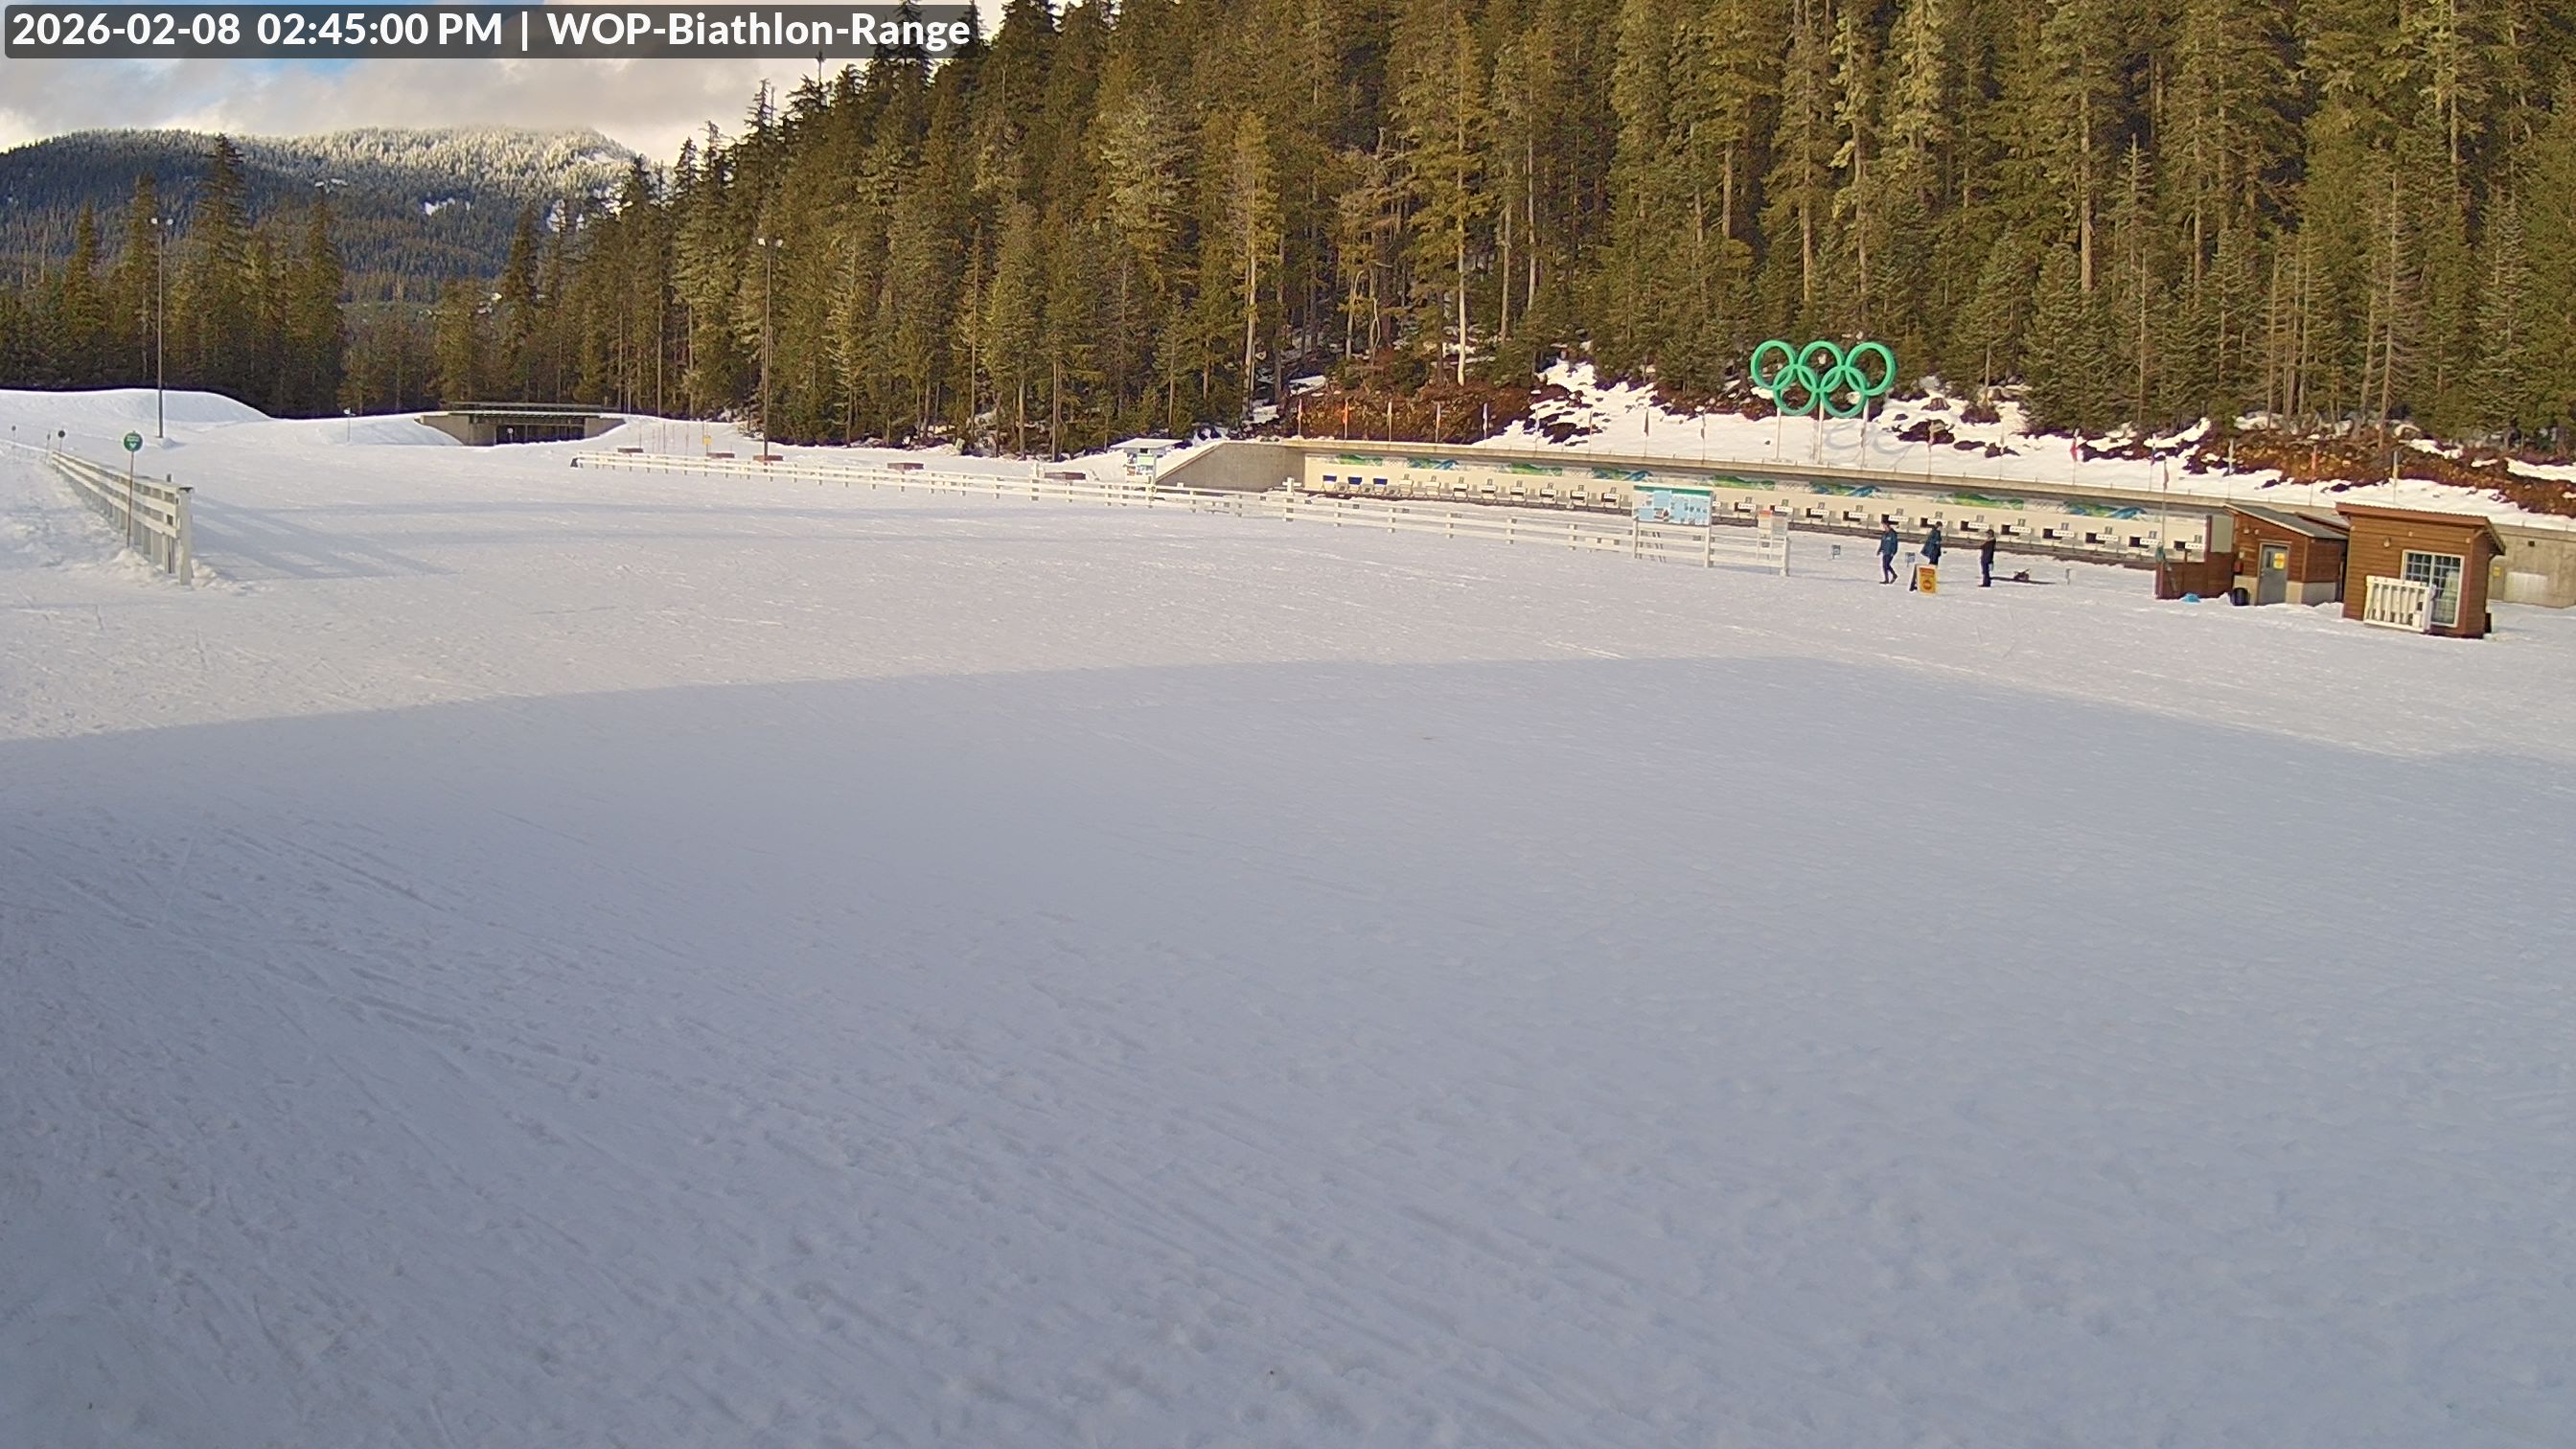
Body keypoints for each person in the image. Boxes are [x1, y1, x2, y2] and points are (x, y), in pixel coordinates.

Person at [1912, 522, 1943, 589]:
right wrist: (1936, 541)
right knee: (1931, 564)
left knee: (1935, 565)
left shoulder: (1938, 532)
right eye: (1940, 526)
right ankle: (1927, 576)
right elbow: (1930, 540)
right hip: (1933, 550)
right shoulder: (1934, 532)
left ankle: (1933, 577)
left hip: (1936, 551)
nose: (1941, 528)